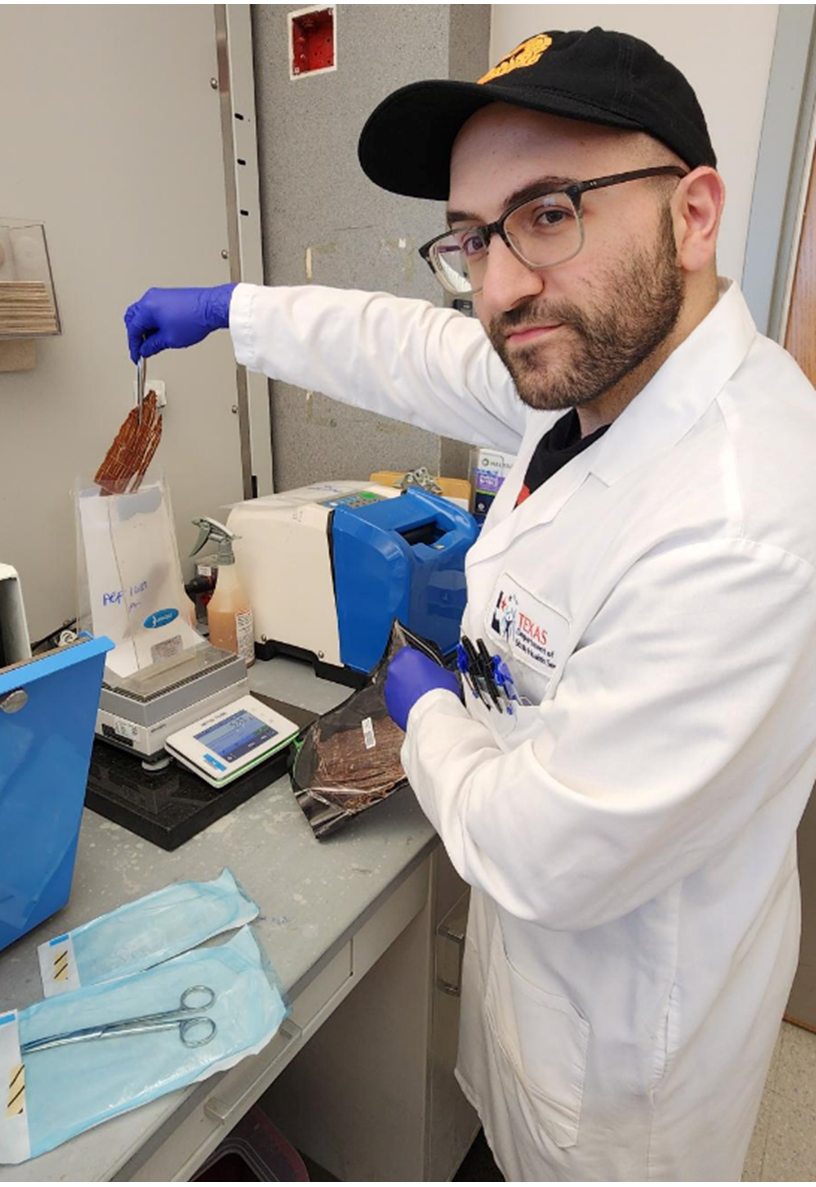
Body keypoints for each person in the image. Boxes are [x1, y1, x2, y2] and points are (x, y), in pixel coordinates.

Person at [124, 28, 816, 1181]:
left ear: (693, 214)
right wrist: (237, 312)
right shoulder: (605, 374)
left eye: (550, 212)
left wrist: (425, 704)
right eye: (473, 236)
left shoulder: (738, 524)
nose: (498, 286)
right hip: (547, 995)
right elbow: (413, 347)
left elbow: (539, 849)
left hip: (624, 1068)